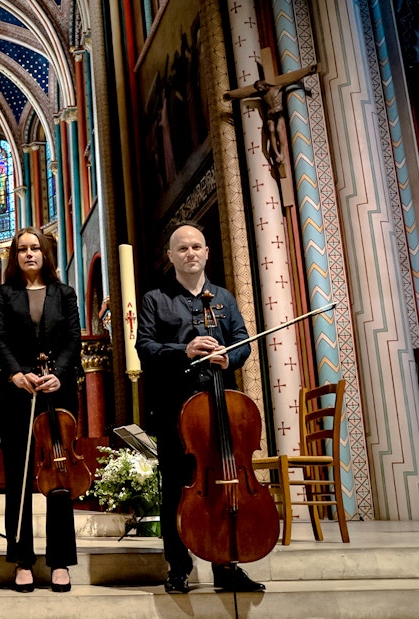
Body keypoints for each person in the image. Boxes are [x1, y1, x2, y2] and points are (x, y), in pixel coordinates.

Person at [136, 221, 265, 594]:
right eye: (183, 248)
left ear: (207, 252)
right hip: (176, 409)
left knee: (223, 484)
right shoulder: (155, 299)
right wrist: (184, 351)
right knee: (176, 489)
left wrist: (231, 357)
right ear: (170, 256)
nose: (190, 253)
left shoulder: (223, 298)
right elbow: (145, 347)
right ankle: (179, 567)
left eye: (196, 247)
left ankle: (226, 565)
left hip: (219, 407)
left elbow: (243, 342)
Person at [0, 227, 82, 593]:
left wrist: (59, 373)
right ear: (15, 256)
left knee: (59, 478)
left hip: (57, 394)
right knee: (20, 477)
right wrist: (15, 373)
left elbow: (73, 338)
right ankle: (22, 560)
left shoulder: (65, 293)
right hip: (16, 396)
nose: (29, 254)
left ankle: (60, 560)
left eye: (35, 248)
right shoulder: (4, 295)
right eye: (22, 249)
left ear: (46, 254)